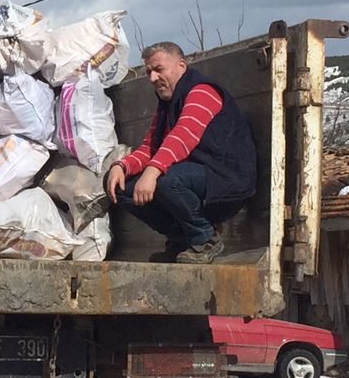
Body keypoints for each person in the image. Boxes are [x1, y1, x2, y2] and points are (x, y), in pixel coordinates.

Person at [105, 42, 257, 264]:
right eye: (149, 72)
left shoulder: (202, 91)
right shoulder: (167, 104)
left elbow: (184, 136)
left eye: (159, 69)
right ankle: (182, 240)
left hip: (227, 180)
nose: (153, 78)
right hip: (196, 180)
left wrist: (152, 172)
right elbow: (151, 147)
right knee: (123, 188)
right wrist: (122, 166)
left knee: (167, 180)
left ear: (181, 66)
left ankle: (206, 239)